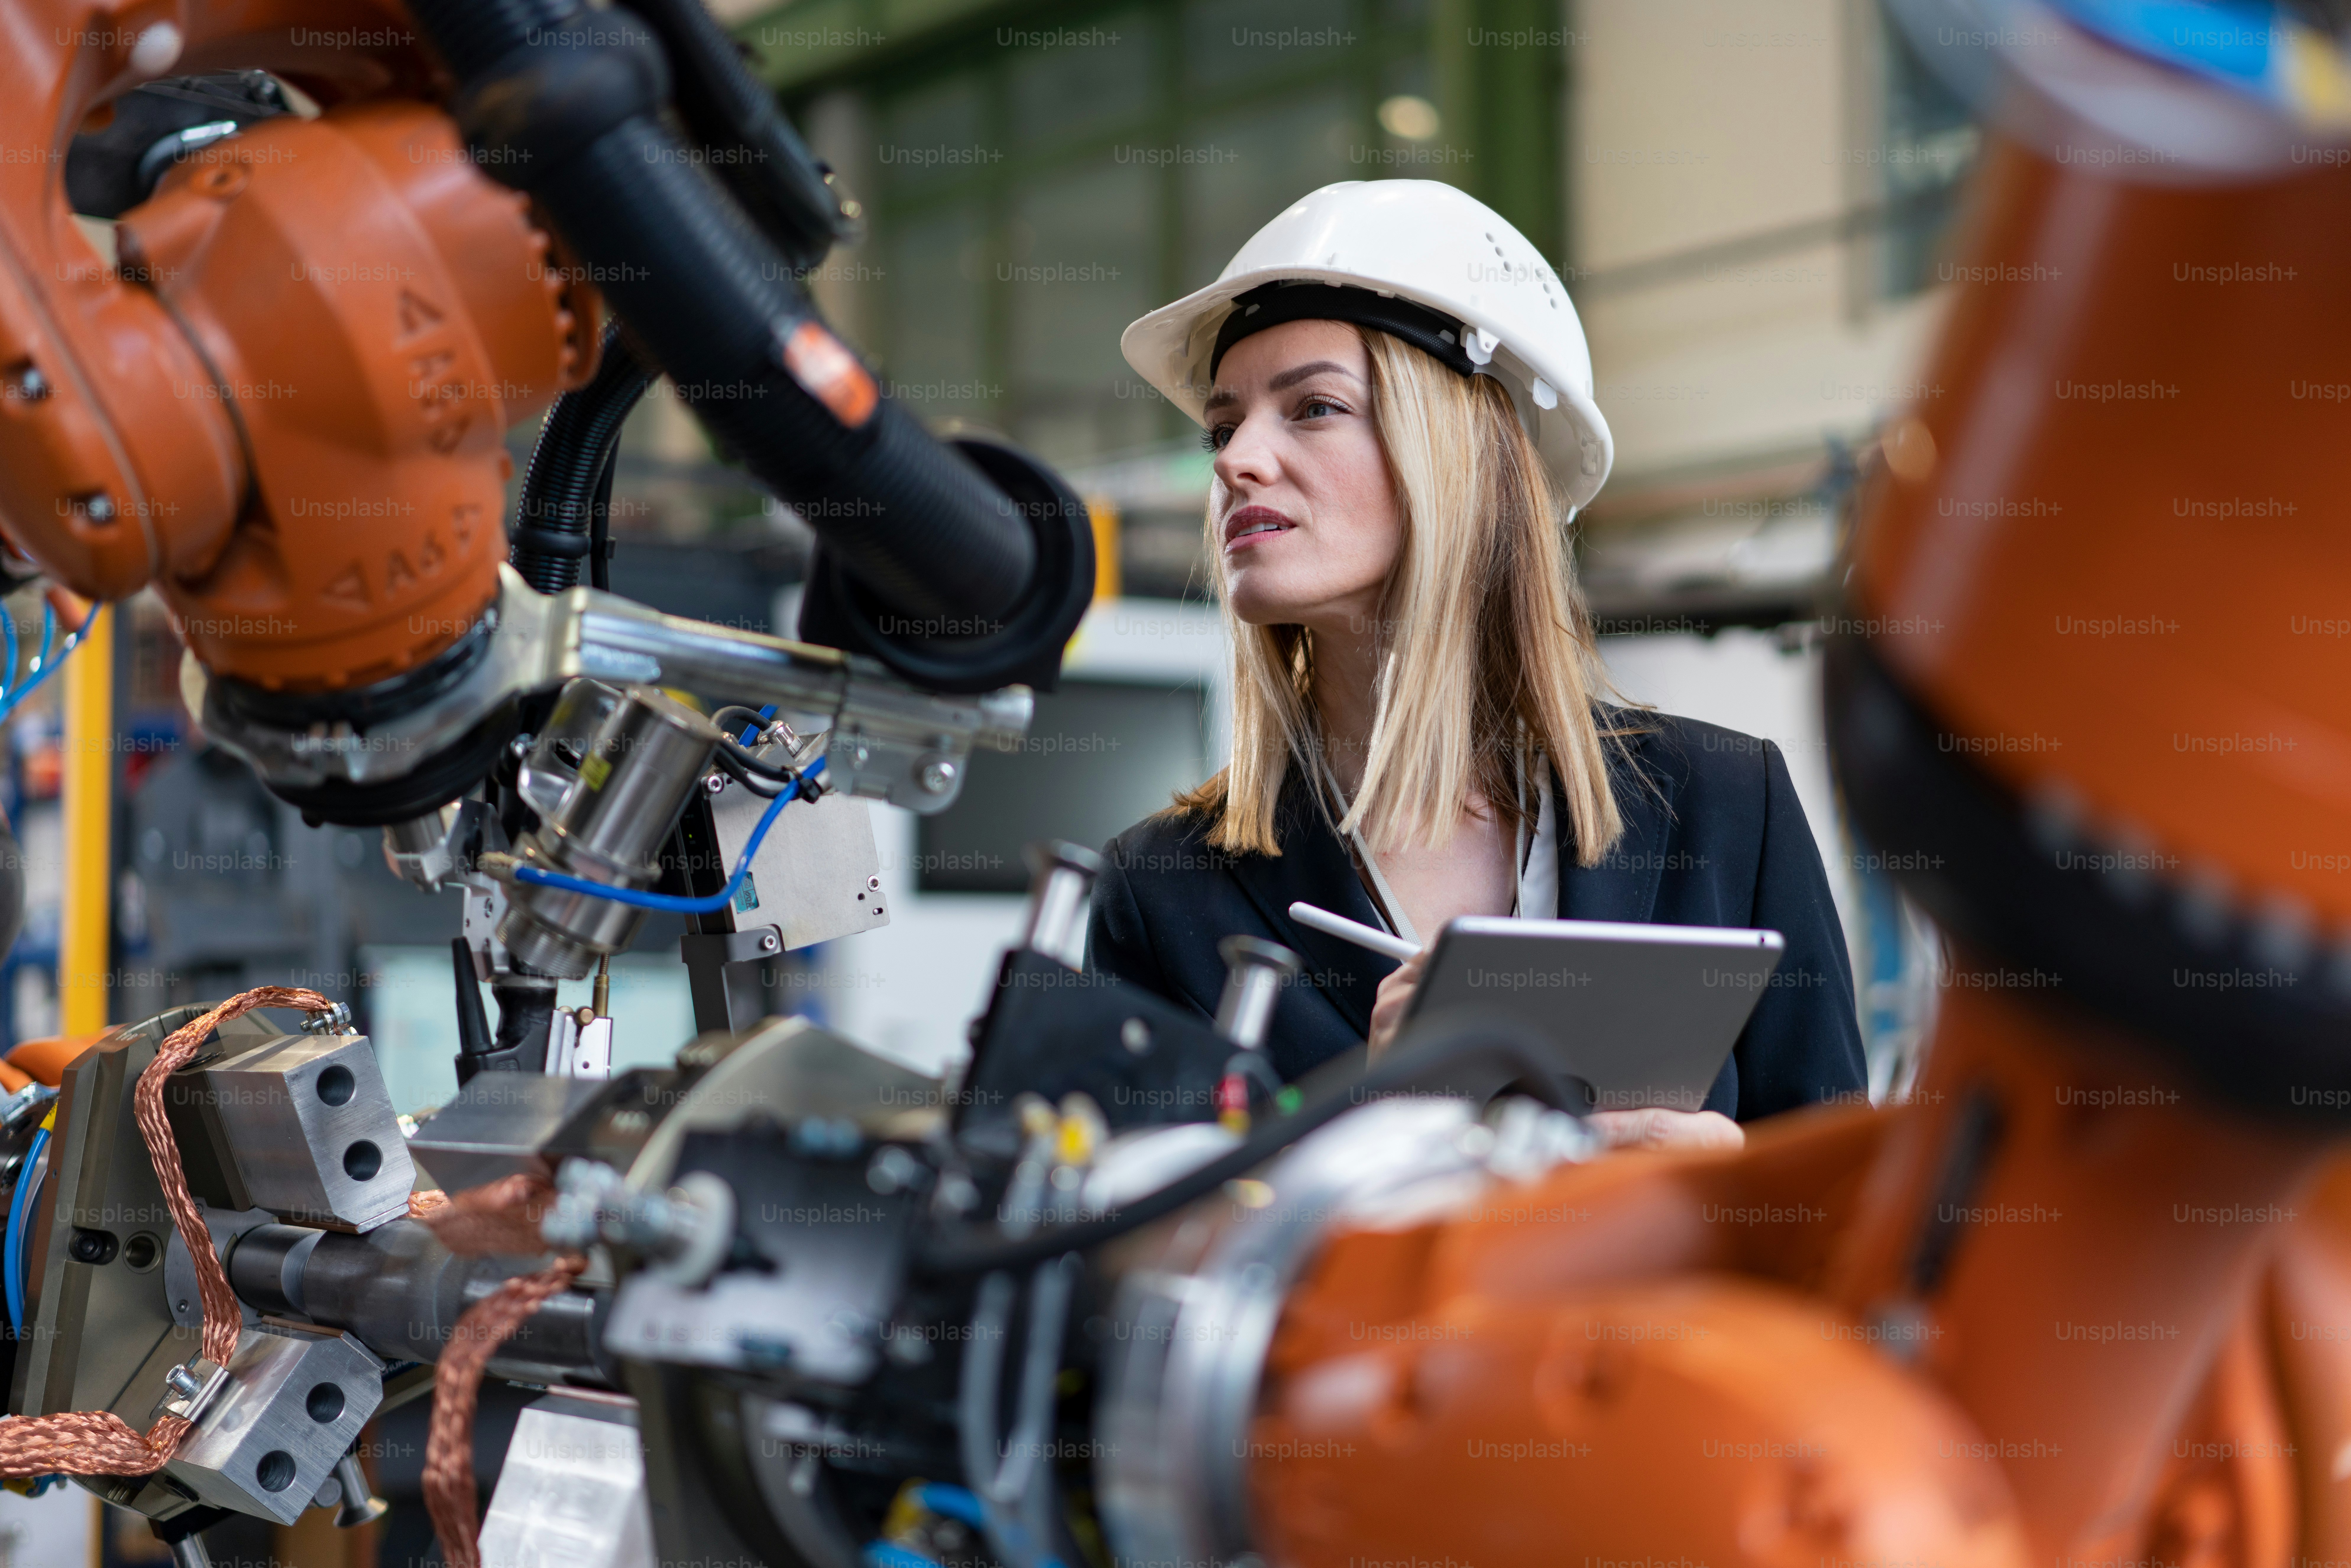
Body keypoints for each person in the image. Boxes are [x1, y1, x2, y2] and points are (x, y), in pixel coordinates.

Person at [1088, 180, 1865, 1151]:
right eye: (1223, 426)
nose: (1236, 459)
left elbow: (1856, 1224)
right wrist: (1379, 1133)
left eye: (1314, 408)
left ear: (1462, 455)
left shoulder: (1723, 808)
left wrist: (1722, 1172)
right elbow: (1126, 1269)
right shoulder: (1160, 893)